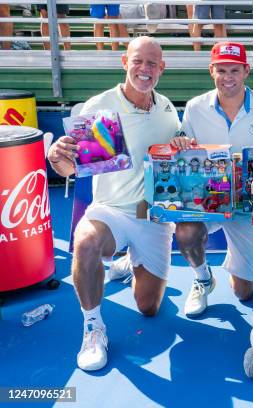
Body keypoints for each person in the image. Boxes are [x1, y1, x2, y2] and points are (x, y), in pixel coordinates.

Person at [46, 37, 181, 371]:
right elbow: (71, 168)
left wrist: (183, 145)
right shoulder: (97, 107)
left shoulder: (167, 110)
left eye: (152, 64)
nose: (144, 70)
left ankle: (126, 263)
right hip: (112, 211)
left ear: (161, 68)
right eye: (138, 61)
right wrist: (55, 158)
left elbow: (175, 160)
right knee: (86, 241)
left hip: (154, 216)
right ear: (125, 62)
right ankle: (93, 326)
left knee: (148, 307)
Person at [171, 42, 253, 315]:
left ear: (246, 71)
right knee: (186, 232)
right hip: (208, 201)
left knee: (244, 292)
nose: (228, 77)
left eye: (234, 70)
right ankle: (203, 278)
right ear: (211, 71)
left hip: (249, 206)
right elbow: (185, 152)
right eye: (221, 70)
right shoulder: (194, 107)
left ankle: (236, 256)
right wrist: (180, 143)